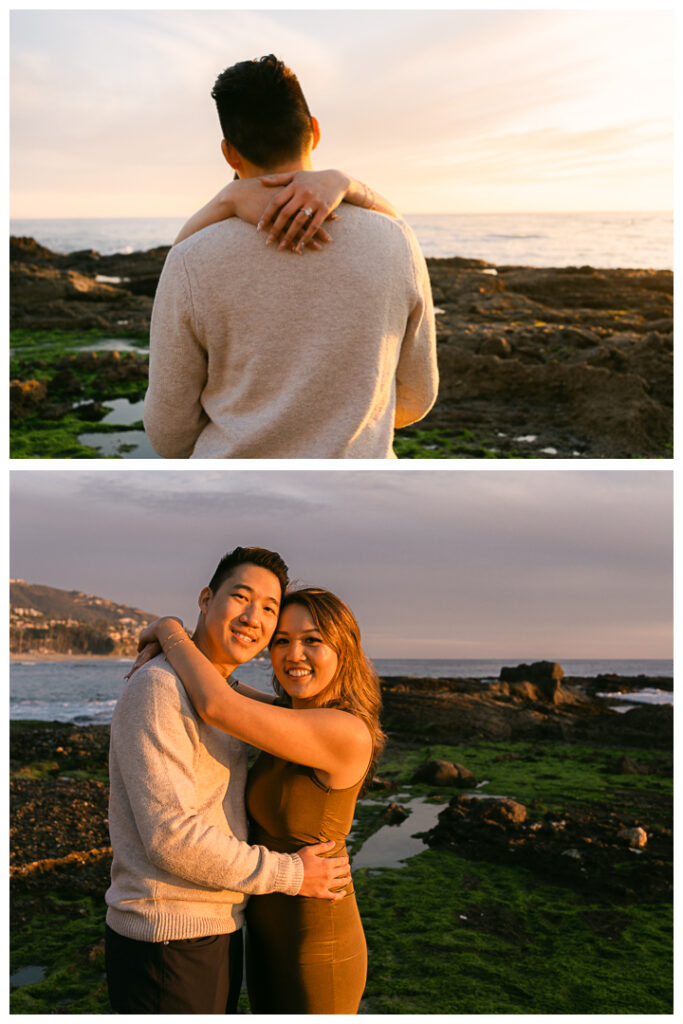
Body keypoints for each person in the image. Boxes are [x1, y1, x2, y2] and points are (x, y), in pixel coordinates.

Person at [144, 53, 438, 459]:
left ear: (230, 153)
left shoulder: (191, 259)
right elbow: (415, 398)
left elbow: (168, 435)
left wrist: (224, 201)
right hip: (364, 502)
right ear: (314, 131)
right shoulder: (396, 240)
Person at [104, 547, 351, 1015]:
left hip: (213, 926)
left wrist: (168, 631)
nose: (253, 618)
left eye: (268, 609)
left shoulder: (218, 694)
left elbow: (243, 705)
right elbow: (171, 838)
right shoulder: (159, 688)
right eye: (241, 597)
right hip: (168, 935)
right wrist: (292, 873)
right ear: (205, 598)